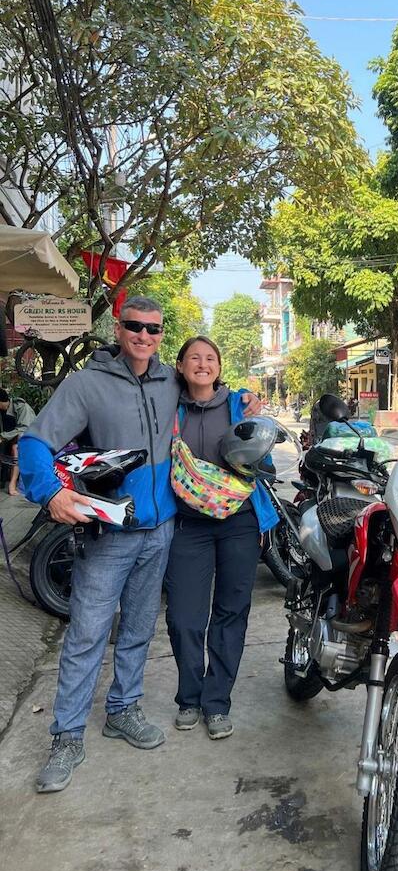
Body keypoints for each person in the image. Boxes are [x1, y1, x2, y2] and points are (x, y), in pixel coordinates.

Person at [18, 296, 261, 794]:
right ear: (119, 327)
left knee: (137, 631)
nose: (144, 336)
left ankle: (122, 710)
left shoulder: (170, 380)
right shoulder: (86, 385)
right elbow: (35, 442)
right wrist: (52, 492)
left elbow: (213, 392)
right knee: (87, 635)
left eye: (153, 329)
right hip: (108, 534)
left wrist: (247, 399)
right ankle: (66, 736)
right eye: (135, 326)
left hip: (164, 531)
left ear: (160, 334)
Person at [164, 336, 278, 740]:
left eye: (210, 357)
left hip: (239, 523)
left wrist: (252, 403)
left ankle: (216, 703)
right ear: (179, 366)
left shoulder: (238, 404)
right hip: (187, 526)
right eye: (194, 357)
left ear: (218, 367)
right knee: (183, 618)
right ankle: (188, 697)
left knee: (232, 612)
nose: (202, 363)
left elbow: (263, 461)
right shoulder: (168, 405)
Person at [0, 388, 36, 495]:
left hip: (30, 438)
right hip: (10, 438)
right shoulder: (2, 412)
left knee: (16, 447)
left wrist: (2, 437)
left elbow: (25, 428)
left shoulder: (21, 407)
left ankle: (12, 484)